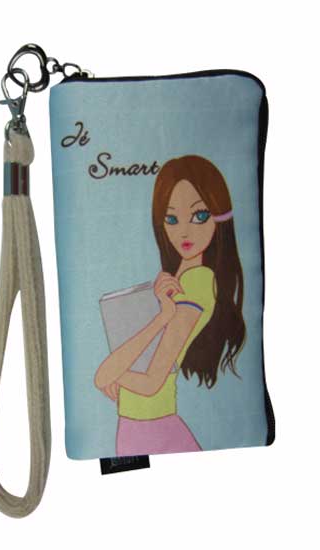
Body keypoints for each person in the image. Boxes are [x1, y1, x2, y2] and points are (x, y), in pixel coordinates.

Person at [94, 154, 246, 456]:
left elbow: (152, 381)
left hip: (151, 424)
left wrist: (112, 374)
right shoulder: (178, 277)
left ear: (219, 216)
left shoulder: (197, 281)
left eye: (199, 216)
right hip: (144, 422)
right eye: (172, 219)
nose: (184, 232)